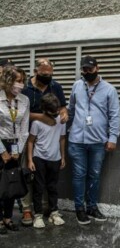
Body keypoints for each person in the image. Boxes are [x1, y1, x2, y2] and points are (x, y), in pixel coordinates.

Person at [68, 55, 120, 225]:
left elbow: (114, 115)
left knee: (94, 175)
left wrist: (113, 138)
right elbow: (70, 110)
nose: (87, 72)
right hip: (76, 140)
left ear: (97, 68)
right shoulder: (76, 86)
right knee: (79, 175)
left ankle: (91, 206)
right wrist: (63, 131)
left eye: (90, 69)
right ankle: (79, 209)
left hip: (98, 141)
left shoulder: (109, 89)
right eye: (84, 69)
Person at [21, 58, 68, 226]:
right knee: (30, 177)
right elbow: (21, 114)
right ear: (36, 72)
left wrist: (63, 114)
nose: (47, 77)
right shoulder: (26, 88)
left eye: (50, 74)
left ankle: (50, 209)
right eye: (43, 74)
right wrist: (41, 117)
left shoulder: (56, 86)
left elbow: (62, 107)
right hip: (29, 136)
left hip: (53, 148)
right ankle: (29, 210)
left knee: (51, 183)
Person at [27, 93, 66, 228]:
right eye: (52, 112)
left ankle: (53, 212)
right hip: (39, 158)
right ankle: (37, 215)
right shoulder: (37, 123)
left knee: (52, 187)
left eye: (57, 111)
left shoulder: (61, 121)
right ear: (44, 110)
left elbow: (62, 139)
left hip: (55, 158)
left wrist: (63, 157)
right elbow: (31, 141)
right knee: (38, 187)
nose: (55, 114)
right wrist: (30, 160)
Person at [0, 66, 29, 234]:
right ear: (8, 81)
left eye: (22, 81)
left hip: (16, 145)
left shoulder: (24, 100)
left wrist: (18, 149)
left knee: (11, 183)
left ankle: (8, 217)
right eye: (18, 81)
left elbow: (24, 128)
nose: (21, 84)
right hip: (0, 144)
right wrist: (2, 151)